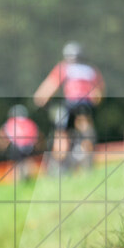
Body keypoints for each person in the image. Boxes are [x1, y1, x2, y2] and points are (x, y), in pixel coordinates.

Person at [33, 42, 105, 170]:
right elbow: (99, 92)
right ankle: (87, 161)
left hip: (71, 103)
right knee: (86, 130)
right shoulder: (91, 70)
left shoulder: (64, 67)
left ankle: (60, 164)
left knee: (61, 133)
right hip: (86, 105)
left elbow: (50, 86)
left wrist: (39, 100)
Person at [0, 104, 39, 182]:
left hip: (16, 147)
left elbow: (1, 137)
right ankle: (31, 178)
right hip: (29, 147)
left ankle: (16, 181)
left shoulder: (10, 122)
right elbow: (36, 137)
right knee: (28, 162)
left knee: (14, 166)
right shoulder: (30, 123)